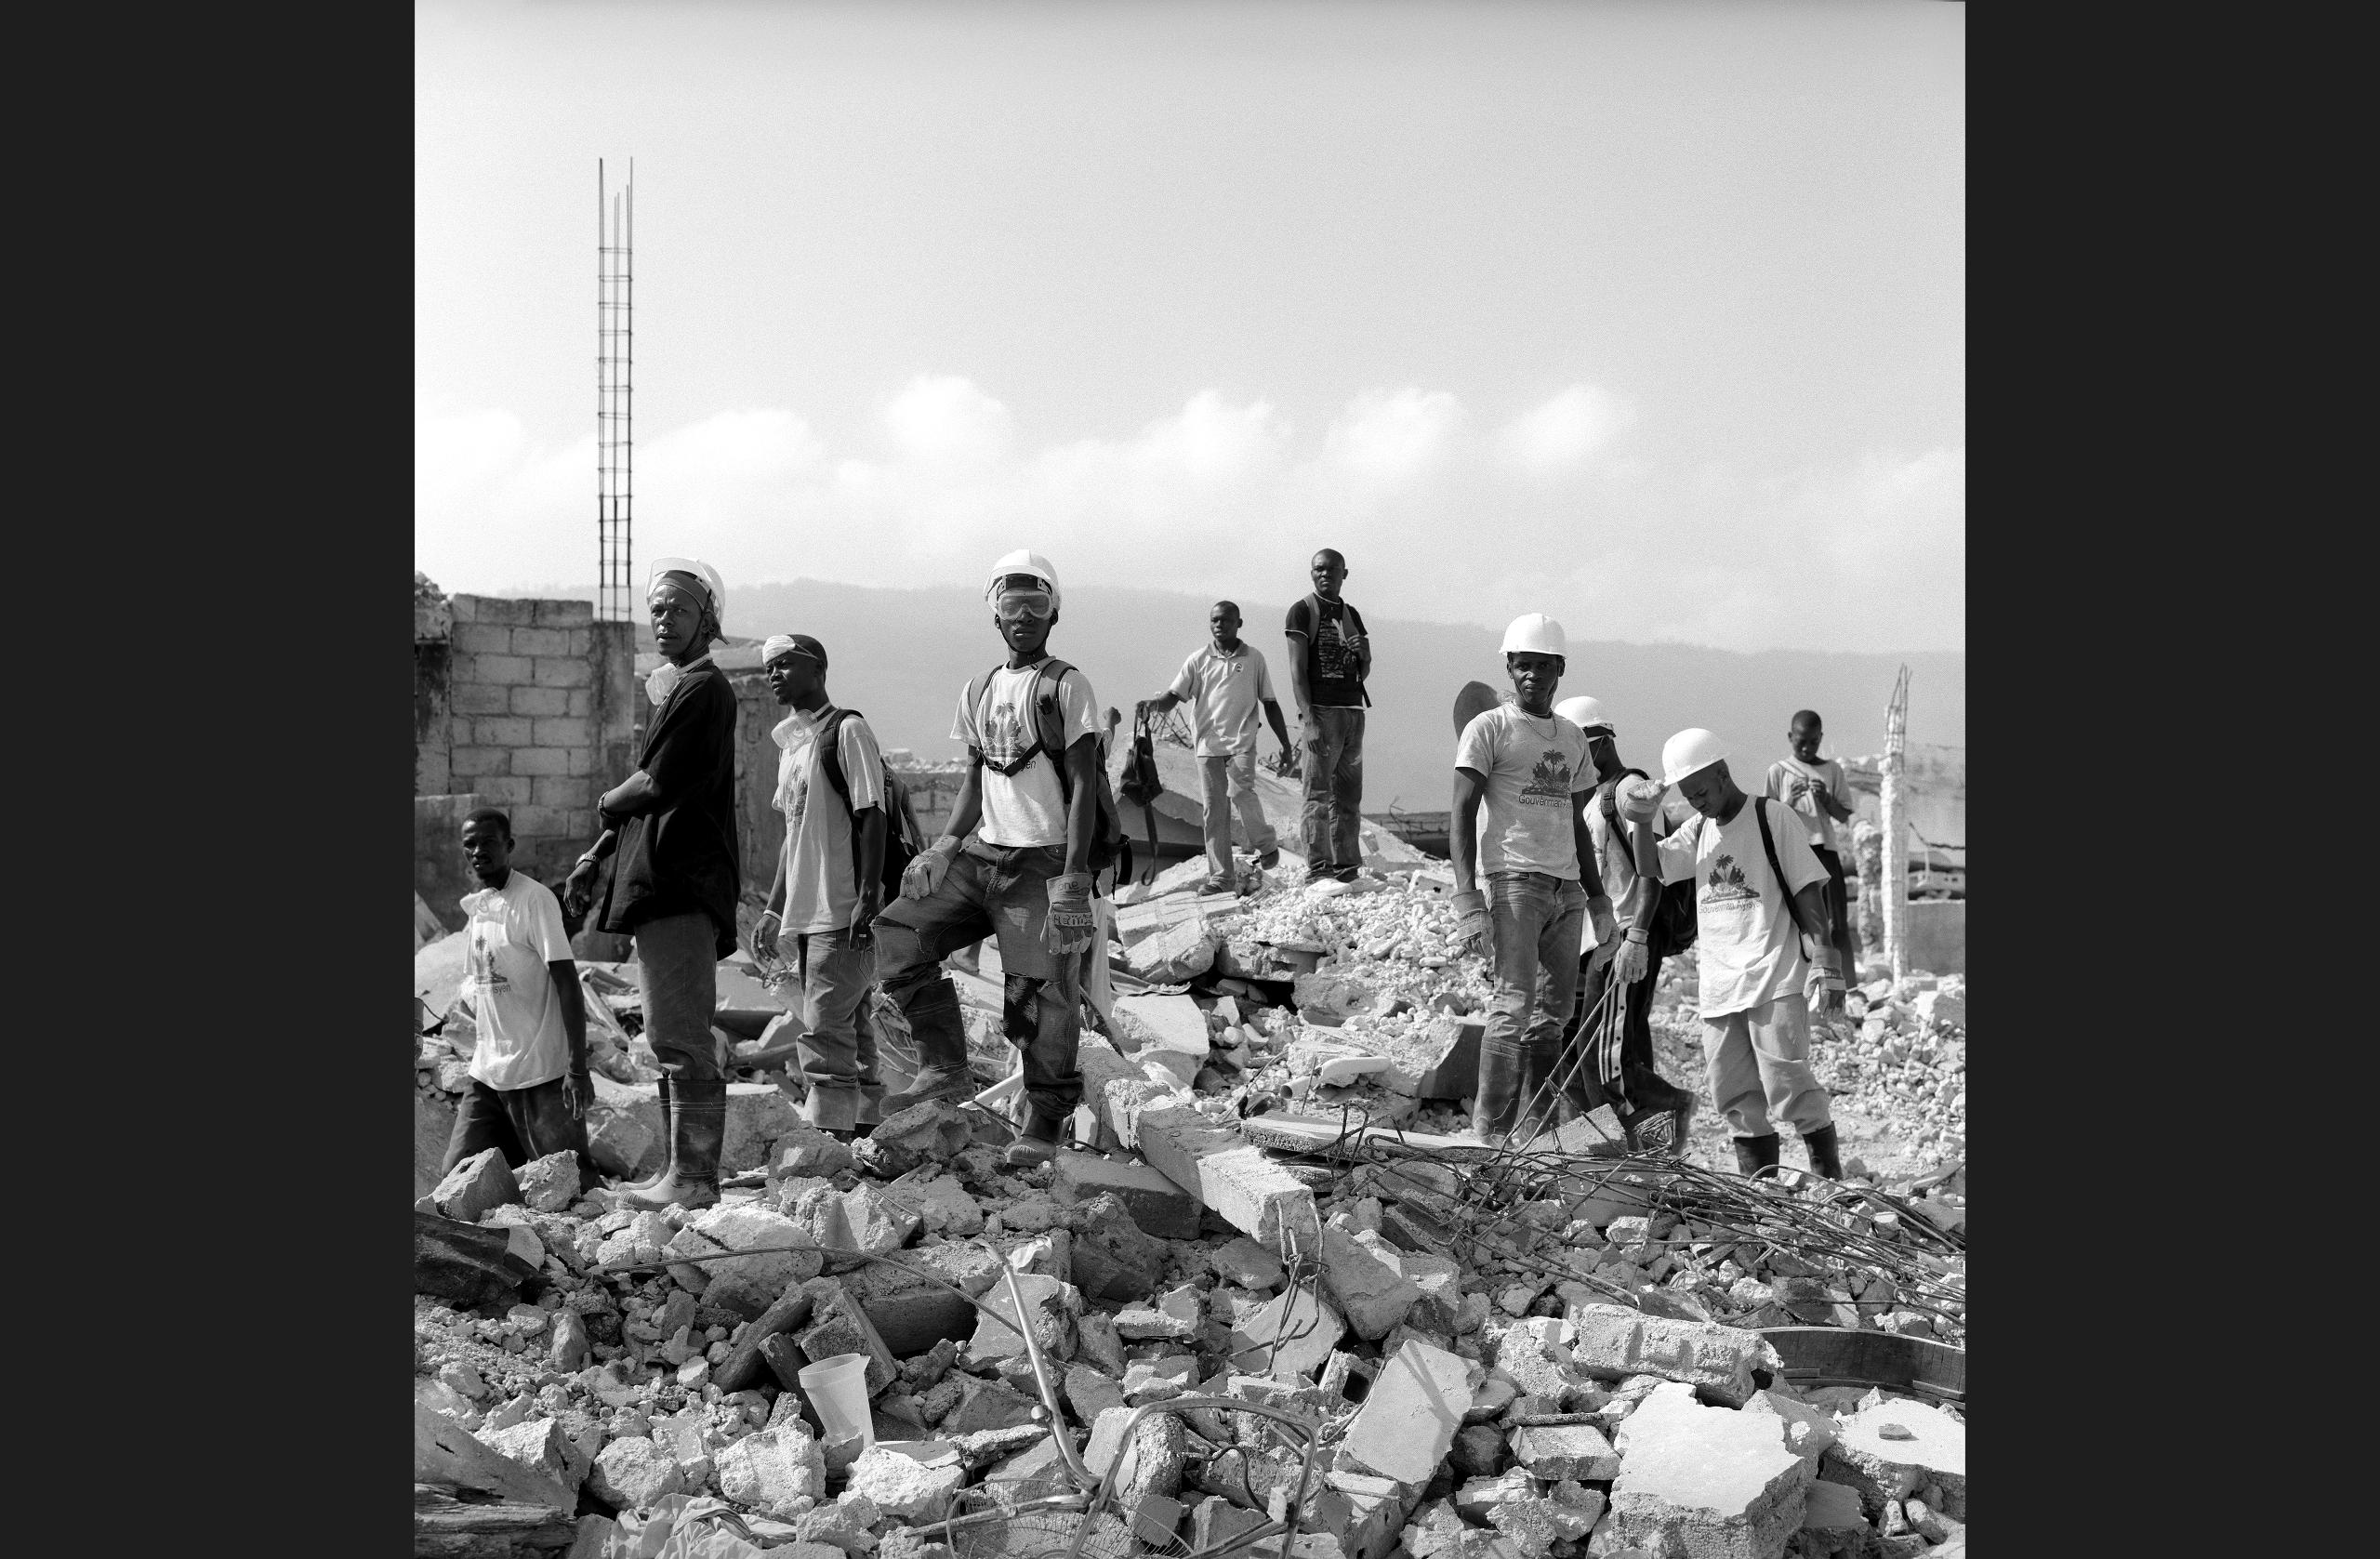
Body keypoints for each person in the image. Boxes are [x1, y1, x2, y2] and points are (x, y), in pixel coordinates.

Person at [870, 550, 1104, 1167]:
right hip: (983, 854)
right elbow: (975, 778)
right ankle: (945, 1067)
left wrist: (1075, 877)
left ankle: (1044, 1122)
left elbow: (1084, 783)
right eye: (1011, 604)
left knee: (1038, 995)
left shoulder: (1066, 686)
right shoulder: (978, 689)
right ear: (993, 613)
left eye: (1036, 603)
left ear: (1055, 611)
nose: (1023, 615)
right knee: (898, 933)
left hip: (1042, 861)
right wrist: (945, 846)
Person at [562, 556, 738, 1211]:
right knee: (668, 1035)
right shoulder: (677, 692)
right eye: (657, 608)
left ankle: (693, 1179)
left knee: (681, 1035)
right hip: (659, 883)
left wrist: (607, 802)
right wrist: (596, 854)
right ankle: (677, 1171)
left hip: (683, 884)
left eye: (678, 609)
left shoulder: (703, 691)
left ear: (708, 619)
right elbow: (652, 798)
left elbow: (651, 786)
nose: (663, 619)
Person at [1615, 729, 1845, 1180]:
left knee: (1788, 1082)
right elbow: (1652, 867)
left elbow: (1807, 892)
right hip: (1720, 984)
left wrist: (1825, 959)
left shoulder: (1772, 817)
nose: (1698, 801)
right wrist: (1642, 819)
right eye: (1688, 795)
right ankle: (1762, 1185)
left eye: (1702, 791)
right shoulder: (1698, 830)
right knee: (1733, 1091)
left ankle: (1828, 1176)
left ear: (1723, 773)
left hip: (1774, 974)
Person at [1448, 614, 1618, 1144]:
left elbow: (1575, 822)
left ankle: (1537, 1131)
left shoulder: (1570, 737)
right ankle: (1491, 1133)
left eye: (1542, 667)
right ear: (1509, 666)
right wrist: (1468, 898)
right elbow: (1460, 810)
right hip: (1515, 881)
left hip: (1565, 890)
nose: (1531, 676)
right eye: (1522, 665)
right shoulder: (1489, 729)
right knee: (1512, 1003)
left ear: (1560, 670)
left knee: (1553, 1016)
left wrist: (1597, 898)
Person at [751, 632, 889, 1139]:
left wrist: (869, 897)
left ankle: (831, 1141)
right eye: (770, 667)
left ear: (818, 668)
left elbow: (870, 813)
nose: (774, 674)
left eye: (785, 664)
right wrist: (772, 910)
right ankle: (870, 1130)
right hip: (808, 912)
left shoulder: (846, 730)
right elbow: (793, 835)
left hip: (844, 905)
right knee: (852, 1021)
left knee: (824, 1024)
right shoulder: (791, 745)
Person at [1550, 698, 1699, 1137]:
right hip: (1596, 939)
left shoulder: (1631, 790)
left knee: (1604, 1053)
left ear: (1595, 744)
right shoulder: (1593, 796)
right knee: (1597, 1046)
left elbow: (1650, 872)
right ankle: (1608, 1143)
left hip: (1623, 938)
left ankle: (1666, 1114)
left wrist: (1637, 938)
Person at [444, 808, 597, 1181]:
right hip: (489, 1075)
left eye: (488, 842)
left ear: (509, 845)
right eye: (470, 845)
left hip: (540, 1072)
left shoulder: (535, 900)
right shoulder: (479, 908)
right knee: (455, 1177)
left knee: (569, 1182)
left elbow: (567, 982)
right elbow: (478, 987)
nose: (478, 851)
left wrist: (577, 1069)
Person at [1140, 601, 1296, 892]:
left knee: (1239, 792)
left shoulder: (1254, 659)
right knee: (1214, 810)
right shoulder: (1198, 660)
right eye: (1214, 620)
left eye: (1225, 620)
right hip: (1207, 745)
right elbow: (1174, 695)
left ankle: (1265, 843)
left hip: (1241, 743)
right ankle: (1222, 878)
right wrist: (1153, 705)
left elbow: (1270, 703)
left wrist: (1286, 745)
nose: (1219, 625)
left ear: (1239, 623)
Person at [1283, 548, 1371, 883]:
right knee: (1317, 794)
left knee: (1349, 797)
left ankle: (1347, 868)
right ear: (1311, 573)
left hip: (1352, 711)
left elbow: (1363, 670)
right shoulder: (1302, 611)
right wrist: (1309, 720)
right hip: (1322, 710)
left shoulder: (1351, 613)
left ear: (1344, 574)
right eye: (1319, 569)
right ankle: (1319, 870)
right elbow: (1296, 669)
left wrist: (1365, 655)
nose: (1326, 574)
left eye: (1333, 570)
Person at [1765, 709, 1859, 999]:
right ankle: (1797, 987)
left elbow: (1843, 814)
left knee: (1836, 923)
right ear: (1790, 738)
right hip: (1792, 851)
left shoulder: (1832, 771)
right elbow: (1767, 816)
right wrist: (1788, 802)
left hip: (1824, 850)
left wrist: (1826, 798)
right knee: (1795, 921)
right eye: (1801, 743)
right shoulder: (1778, 771)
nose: (1807, 749)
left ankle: (1848, 987)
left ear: (1821, 739)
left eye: (1813, 743)